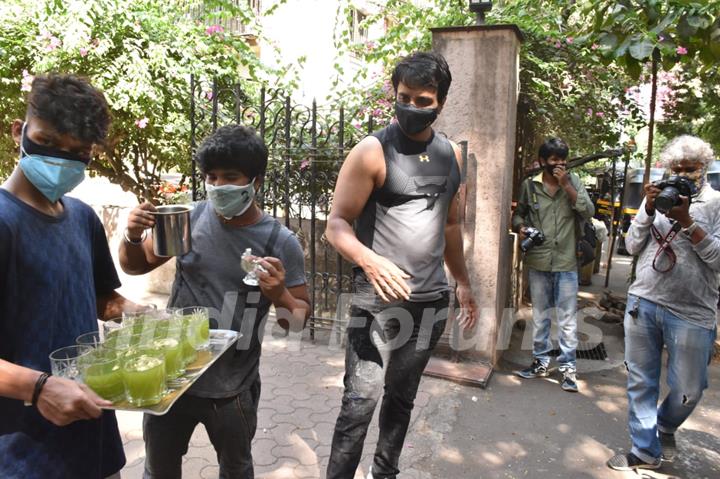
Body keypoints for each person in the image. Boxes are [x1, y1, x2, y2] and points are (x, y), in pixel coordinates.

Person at [119, 124, 310, 478]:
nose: (218, 186)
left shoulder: (279, 241)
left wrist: (278, 294)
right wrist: (132, 236)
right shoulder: (187, 218)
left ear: (255, 181)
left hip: (230, 387)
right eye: (211, 176)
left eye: (230, 177)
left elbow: (297, 319)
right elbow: (135, 266)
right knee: (158, 469)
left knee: (235, 469)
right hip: (172, 377)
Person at [325, 51, 478, 479]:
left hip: (429, 302)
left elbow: (451, 226)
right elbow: (336, 225)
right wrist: (368, 259)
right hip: (375, 302)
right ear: (394, 93)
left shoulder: (452, 156)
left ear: (440, 102)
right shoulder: (372, 152)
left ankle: (384, 473)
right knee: (359, 402)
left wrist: (462, 282)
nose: (411, 106)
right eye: (404, 96)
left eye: (423, 100)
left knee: (401, 399)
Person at [0, 74, 134, 478]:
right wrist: (38, 388)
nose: (60, 158)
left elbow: (98, 299)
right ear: (19, 132)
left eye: (77, 151)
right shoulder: (4, 223)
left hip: (92, 433)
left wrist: (140, 313)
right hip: (23, 451)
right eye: (48, 141)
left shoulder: (82, 217)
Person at [607, 135, 720, 471]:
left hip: (692, 310)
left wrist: (688, 222)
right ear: (667, 169)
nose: (684, 174)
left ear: (704, 169)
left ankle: (666, 424)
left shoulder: (716, 204)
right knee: (641, 380)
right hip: (644, 301)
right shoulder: (656, 198)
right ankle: (644, 449)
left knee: (689, 388)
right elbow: (631, 244)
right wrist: (648, 208)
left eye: (691, 169)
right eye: (677, 168)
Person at [511, 138, 594, 392]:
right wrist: (522, 228)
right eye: (554, 159)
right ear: (543, 161)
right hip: (538, 259)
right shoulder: (530, 186)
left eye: (562, 159)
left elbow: (588, 211)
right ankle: (540, 362)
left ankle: (569, 368)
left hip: (567, 261)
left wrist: (567, 185)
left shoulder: (574, 181)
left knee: (567, 317)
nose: (559, 164)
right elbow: (518, 214)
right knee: (541, 314)